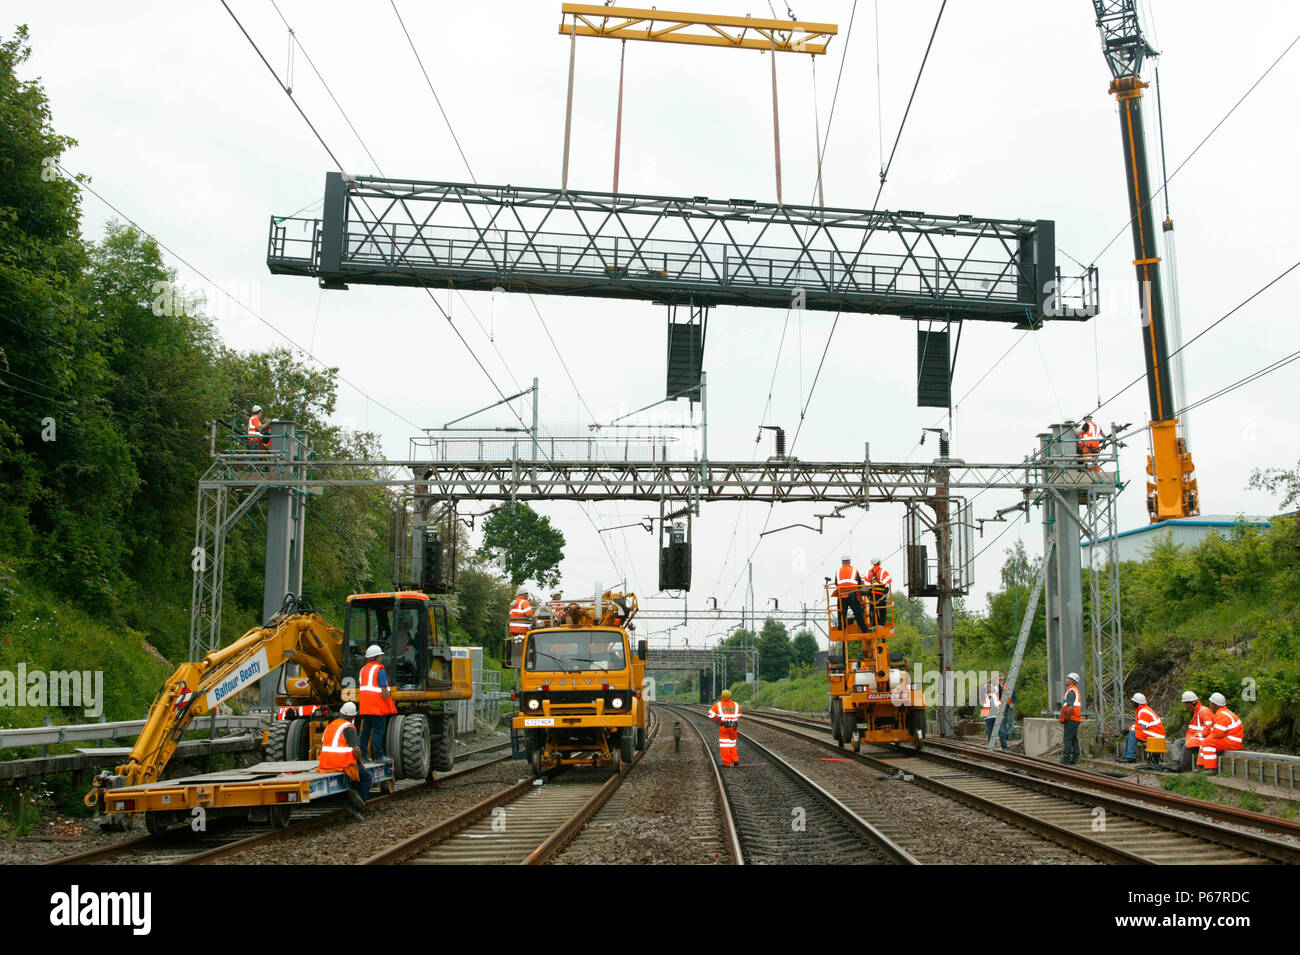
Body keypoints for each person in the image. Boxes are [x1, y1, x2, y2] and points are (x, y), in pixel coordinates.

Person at [318, 702, 370, 821]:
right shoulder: (348, 728)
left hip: (325, 764)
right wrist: (361, 762)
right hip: (342, 764)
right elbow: (356, 749)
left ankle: (353, 789)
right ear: (353, 716)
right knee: (366, 777)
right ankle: (356, 808)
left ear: (340, 713)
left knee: (357, 774)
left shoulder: (330, 726)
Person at [358, 644, 397, 761]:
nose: (381, 657)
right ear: (377, 657)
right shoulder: (379, 670)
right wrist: (389, 699)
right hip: (377, 707)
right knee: (378, 731)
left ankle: (363, 756)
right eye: (380, 655)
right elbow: (384, 688)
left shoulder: (363, 670)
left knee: (365, 731)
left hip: (365, 706)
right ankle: (378, 756)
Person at [1200, 692, 1243, 773]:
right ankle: (1201, 766)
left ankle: (1211, 769)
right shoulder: (1226, 713)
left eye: (1211, 703)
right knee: (1206, 741)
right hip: (1234, 741)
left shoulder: (1221, 715)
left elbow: (1218, 733)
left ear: (1214, 705)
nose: (1210, 704)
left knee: (1207, 742)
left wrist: (1207, 738)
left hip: (1232, 743)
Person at [1121, 692, 1165, 763]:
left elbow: (1142, 727)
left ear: (1137, 703)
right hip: (1153, 732)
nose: (1132, 704)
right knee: (1131, 733)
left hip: (1156, 734)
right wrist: (1129, 729)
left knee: (1132, 733)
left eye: (1133, 702)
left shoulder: (1144, 711)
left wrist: (1129, 730)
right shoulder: (1142, 710)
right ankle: (1126, 756)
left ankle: (1131, 757)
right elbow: (1138, 725)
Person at [1181, 690, 1216, 772]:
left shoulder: (1204, 711)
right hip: (1195, 737)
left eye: (1185, 704)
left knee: (1187, 745)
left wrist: (1195, 736)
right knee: (1178, 742)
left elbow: (1209, 729)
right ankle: (1176, 762)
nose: (1185, 706)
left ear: (1190, 703)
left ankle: (1182, 767)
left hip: (1204, 738)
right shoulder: (1196, 711)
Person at [708, 689, 742, 768]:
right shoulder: (736, 705)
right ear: (730, 696)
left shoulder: (718, 705)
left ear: (722, 696)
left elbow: (710, 714)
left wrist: (717, 719)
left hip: (724, 727)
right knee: (732, 744)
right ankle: (735, 760)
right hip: (733, 727)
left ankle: (727, 763)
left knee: (725, 745)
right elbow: (739, 715)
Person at [834, 557, 867, 634]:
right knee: (858, 612)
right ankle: (864, 629)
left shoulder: (838, 571)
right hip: (853, 594)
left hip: (842, 595)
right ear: (849, 562)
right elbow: (859, 583)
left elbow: (836, 583)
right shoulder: (854, 570)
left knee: (841, 613)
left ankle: (841, 630)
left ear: (842, 562)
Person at [1059, 671, 1082, 765]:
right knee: (1073, 739)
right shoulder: (1074, 690)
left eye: (1068, 678)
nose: (1066, 679)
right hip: (1075, 718)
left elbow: (1070, 708)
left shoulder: (1071, 691)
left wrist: (1066, 718)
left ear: (1072, 681)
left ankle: (1066, 759)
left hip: (1071, 719)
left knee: (1067, 739)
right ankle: (1075, 757)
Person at [865, 558, 892, 628]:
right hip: (881, 595)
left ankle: (874, 625)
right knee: (882, 610)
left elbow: (866, 583)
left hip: (872, 595)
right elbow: (889, 579)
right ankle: (881, 625)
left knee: (873, 610)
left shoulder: (868, 572)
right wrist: (881, 583)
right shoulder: (883, 572)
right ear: (879, 562)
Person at [996, 674, 1017, 751]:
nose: (1001, 680)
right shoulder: (997, 687)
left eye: (1001, 679)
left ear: (1004, 679)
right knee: (1003, 720)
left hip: (1009, 704)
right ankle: (1004, 734)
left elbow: (1013, 694)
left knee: (1010, 719)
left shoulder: (1008, 685)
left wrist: (1012, 702)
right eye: (999, 679)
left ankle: (1010, 733)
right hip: (1002, 705)